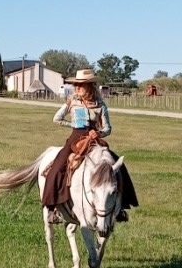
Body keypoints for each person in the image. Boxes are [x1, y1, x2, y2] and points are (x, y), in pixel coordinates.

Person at [42, 68, 139, 224]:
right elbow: (56, 119)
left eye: (81, 85)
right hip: (75, 138)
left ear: (90, 86)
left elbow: (108, 128)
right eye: (76, 85)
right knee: (57, 166)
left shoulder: (100, 105)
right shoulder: (71, 102)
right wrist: (72, 124)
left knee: (118, 167)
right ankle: (52, 207)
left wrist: (99, 133)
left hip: (95, 140)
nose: (77, 87)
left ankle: (120, 208)